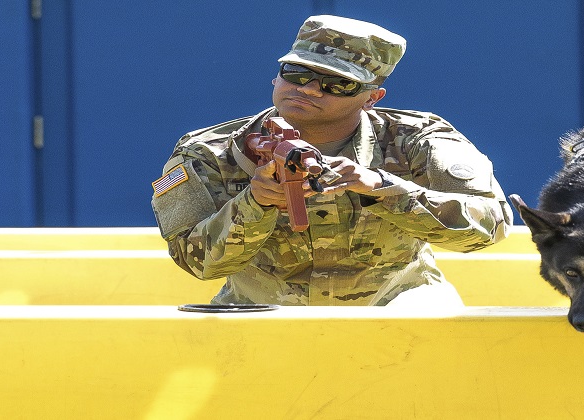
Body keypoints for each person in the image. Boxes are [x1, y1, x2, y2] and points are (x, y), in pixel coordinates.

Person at [150, 15, 512, 307]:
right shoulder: (211, 152)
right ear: (277, 74)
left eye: (337, 84)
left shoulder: (418, 139)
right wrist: (255, 204)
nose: (308, 89)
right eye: (297, 74)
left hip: (398, 304)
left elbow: (490, 228)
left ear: (372, 97)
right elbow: (194, 261)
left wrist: (384, 189)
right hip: (262, 312)